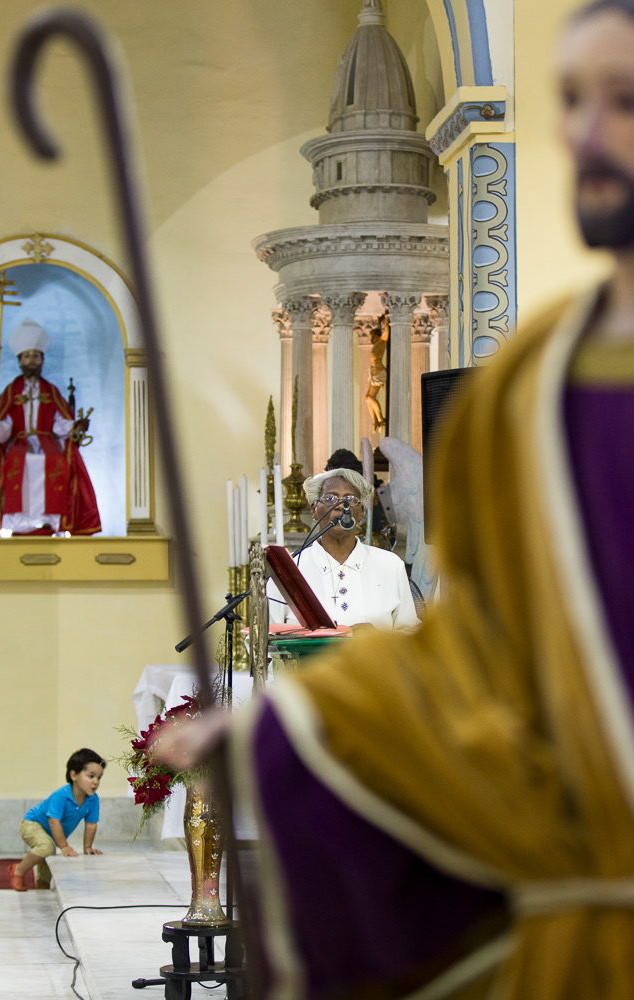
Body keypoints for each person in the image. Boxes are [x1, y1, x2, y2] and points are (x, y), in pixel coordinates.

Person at [159, 3, 634, 997]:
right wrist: (287, 730)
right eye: (571, 100)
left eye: (622, 101)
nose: (587, 131)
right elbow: (480, 653)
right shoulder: (522, 391)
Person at [0, 318, 101, 536]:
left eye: (36, 356)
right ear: (20, 361)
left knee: (55, 462)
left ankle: (48, 521)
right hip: (18, 443)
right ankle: (17, 523)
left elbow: (59, 423)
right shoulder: (12, 391)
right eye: (27, 356)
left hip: (47, 443)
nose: (32, 361)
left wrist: (75, 426)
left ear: (42, 360)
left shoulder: (50, 390)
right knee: (16, 463)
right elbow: (6, 424)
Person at [267, 468, 419, 631]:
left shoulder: (390, 565)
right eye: (330, 498)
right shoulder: (287, 572)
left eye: (350, 499)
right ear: (314, 510)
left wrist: (376, 640)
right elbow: (262, 641)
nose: (341, 506)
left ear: (360, 513)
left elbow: (412, 635)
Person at [8, 748, 105, 891]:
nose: (95, 782)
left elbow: (91, 824)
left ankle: (42, 886)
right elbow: (53, 821)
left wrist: (87, 847)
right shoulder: (61, 795)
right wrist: (64, 846)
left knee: (48, 854)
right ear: (74, 775)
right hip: (32, 823)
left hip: (52, 832)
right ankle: (18, 871)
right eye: (91, 776)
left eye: (99, 777)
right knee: (47, 847)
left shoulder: (92, 799)